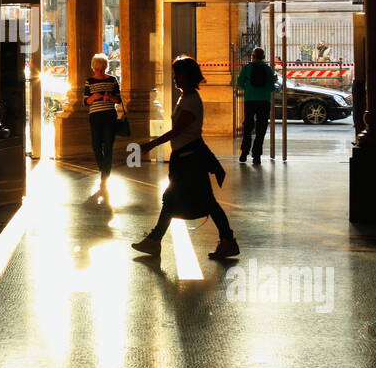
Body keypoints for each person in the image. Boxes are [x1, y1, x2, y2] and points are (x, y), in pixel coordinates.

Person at [132, 55, 239, 260]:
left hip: (190, 161)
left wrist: (150, 145)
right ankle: (156, 241)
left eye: (178, 74)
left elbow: (177, 131)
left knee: (193, 201)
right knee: (178, 200)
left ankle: (155, 241)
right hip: (186, 158)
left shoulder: (191, 101)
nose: (175, 78)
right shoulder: (186, 98)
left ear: (188, 76)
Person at [83, 52, 122, 203]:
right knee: (96, 145)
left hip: (109, 116)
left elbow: (118, 99)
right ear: (93, 67)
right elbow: (85, 101)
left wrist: (109, 97)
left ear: (105, 67)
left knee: (108, 145)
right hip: (95, 116)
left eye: (102, 69)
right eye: (97, 69)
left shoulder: (113, 80)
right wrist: (95, 97)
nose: (99, 72)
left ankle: (104, 177)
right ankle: (103, 170)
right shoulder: (89, 81)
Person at [235, 47, 276, 165]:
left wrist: (249, 89)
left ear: (252, 56)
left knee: (248, 127)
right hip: (264, 100)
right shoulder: (268, 69)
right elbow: (272, 88)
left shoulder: (246, 68)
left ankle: (244, 153)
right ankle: (256, 156)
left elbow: (240, 84)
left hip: (250, 100)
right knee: (261, 129)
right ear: (263, 57)